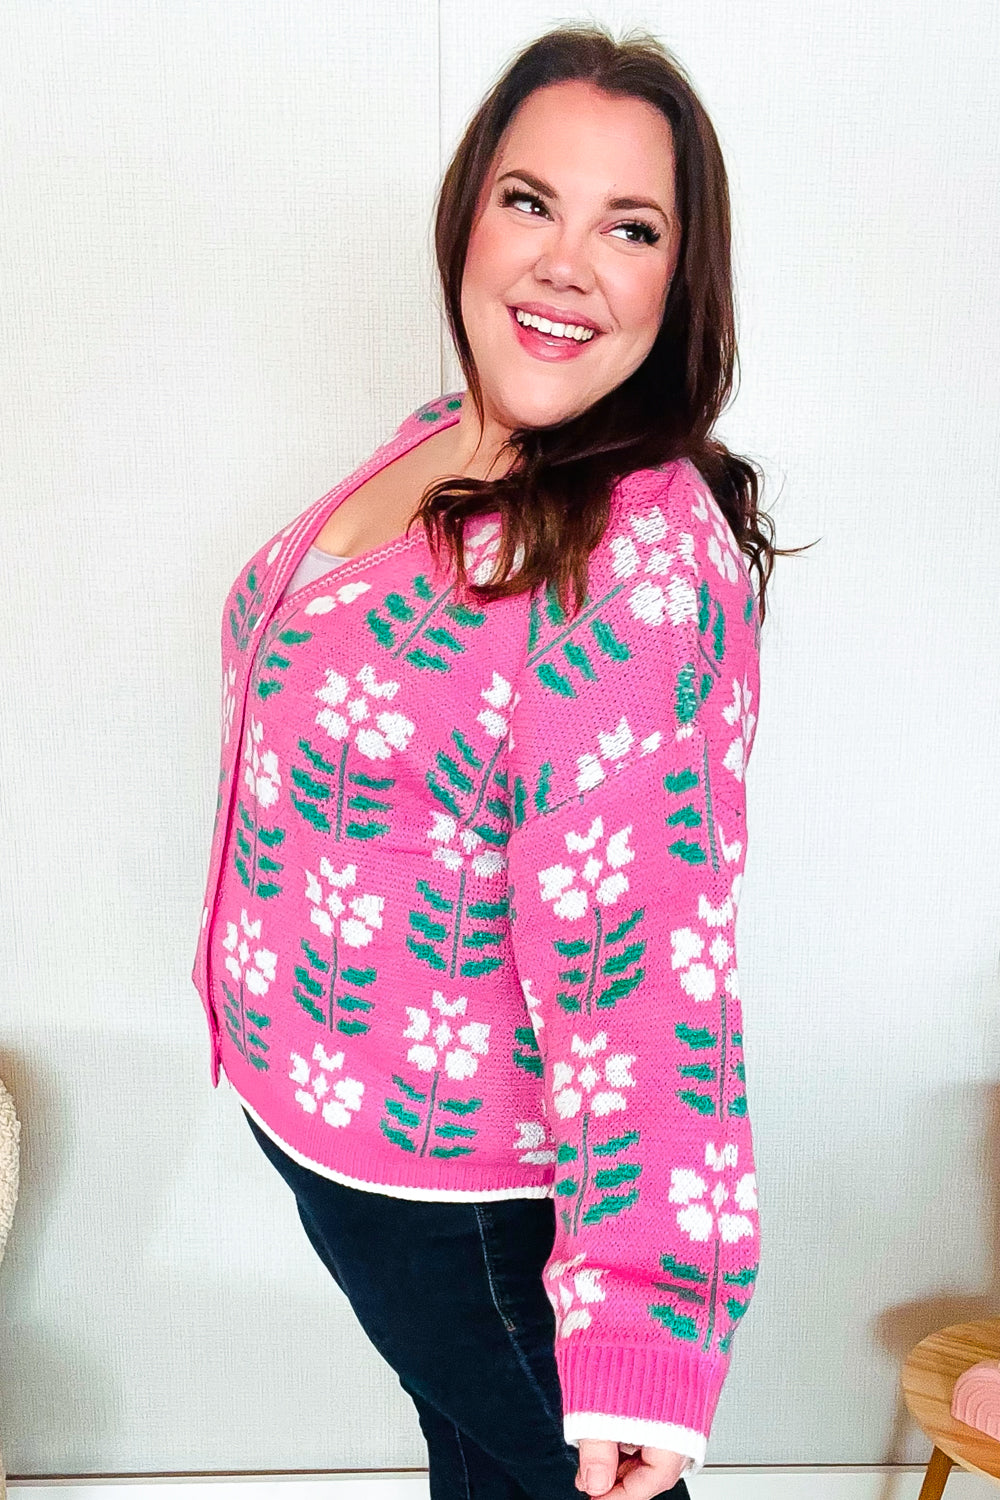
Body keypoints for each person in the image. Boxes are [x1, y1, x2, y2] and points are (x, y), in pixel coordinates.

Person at [192, 22, 793, 1500]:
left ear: (682, 278)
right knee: (473, 1457)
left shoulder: (634, 569)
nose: (566, 263)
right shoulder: (439, 435)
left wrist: (648, 1330)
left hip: (467, 1208)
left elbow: (649, 969)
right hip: (346, 1139)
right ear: (469, 211)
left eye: (631, 227)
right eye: (532, 200)